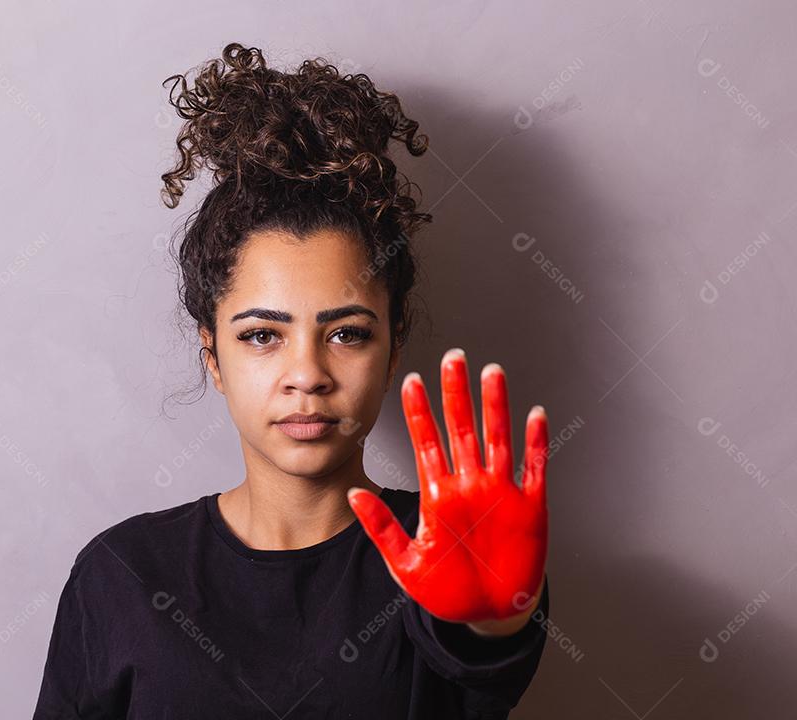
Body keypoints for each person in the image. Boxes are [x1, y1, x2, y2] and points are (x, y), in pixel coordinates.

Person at [32, 42, 551, 719]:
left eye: (347, 333)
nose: (306, 374)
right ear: (212, 355)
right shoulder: (123, 575)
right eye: (261, 336)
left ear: (393, 348)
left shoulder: (452, 543)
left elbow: (480, 661)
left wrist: (497, 622)